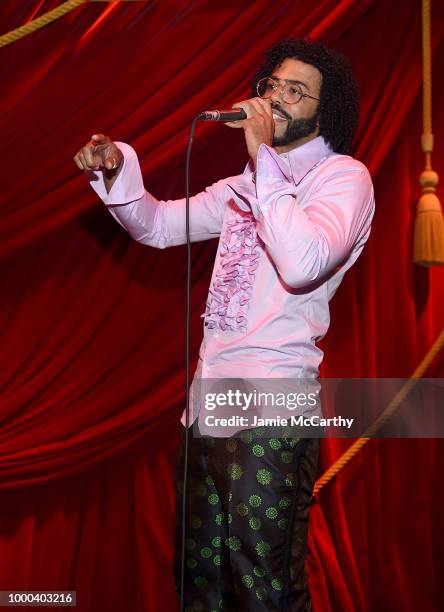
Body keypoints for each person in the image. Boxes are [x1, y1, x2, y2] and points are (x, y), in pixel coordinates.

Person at [74, 39, 375, 611]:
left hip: (272, 408)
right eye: (272, 85)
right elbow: (159, 224)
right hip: (207, 406)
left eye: (296, 91)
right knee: (201, 586)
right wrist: (117, 170)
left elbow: (303, 260)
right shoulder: (245, 185)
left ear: (325, 109)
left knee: (263, 587)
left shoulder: (343, 178)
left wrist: (263, 158)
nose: (276, 98)